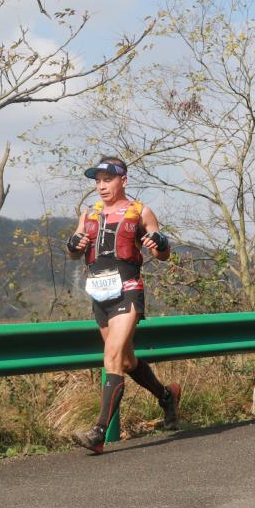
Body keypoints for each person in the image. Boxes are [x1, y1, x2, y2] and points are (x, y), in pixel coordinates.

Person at [65, 156, 181, 453]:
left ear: (123, 180)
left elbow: (163, 254)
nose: (101, 186)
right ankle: (167, 396)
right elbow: (74, 252)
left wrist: (160, 243)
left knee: (112, 356)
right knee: (127, 362)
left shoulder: (141, 212)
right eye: (97, 181)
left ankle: (98, 433)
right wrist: (73, 245)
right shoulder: (89, 214)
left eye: (108, 180)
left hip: (128, 289)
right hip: (99, 294)